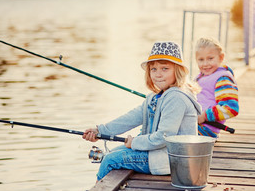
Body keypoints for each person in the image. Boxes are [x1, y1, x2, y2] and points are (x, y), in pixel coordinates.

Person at [83, 41, 202, 181]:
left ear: (178, 71)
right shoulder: (156, 97)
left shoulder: (176, 98)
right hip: (156, 154)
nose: (158, 74)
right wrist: (100, 131)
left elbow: (164, 136)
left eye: (165, 69)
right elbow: (130, 118)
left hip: (173, 161)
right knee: (113, 153)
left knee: (110, 159)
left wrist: (135, 143)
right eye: (153, 69)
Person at [194, 37, 239, 138]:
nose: (205, 64)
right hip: (194, 125)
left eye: (210, 58)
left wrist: (204, 116)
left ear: (221, 57)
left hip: (205, 130)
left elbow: (231, 108)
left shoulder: (222, 79)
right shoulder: (201, 76)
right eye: (201, 60)